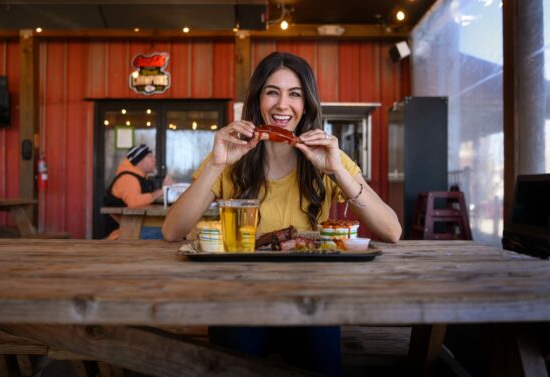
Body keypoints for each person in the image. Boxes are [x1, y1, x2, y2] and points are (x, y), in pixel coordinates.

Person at [162, 52, 402, 376]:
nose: (282, 104)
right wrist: (217, 163)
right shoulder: (230, 154)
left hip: (311, 299)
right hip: (238, 297)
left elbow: (391, 231)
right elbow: (172, 231)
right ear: (258, 99)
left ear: (307, 104)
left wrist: (337, 172)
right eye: (272, 91)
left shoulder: (328, 155)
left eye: (295, 93)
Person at [104, 143, 173, 240]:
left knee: (172, 229)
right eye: (150, 156)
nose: (155, 159)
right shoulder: (128, 178)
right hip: (122, 232)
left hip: (135, 225)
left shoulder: (142, 177)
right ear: (139, 161)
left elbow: (147, 199)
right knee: (171, 233)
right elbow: (133, 202)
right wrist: (162, 190)